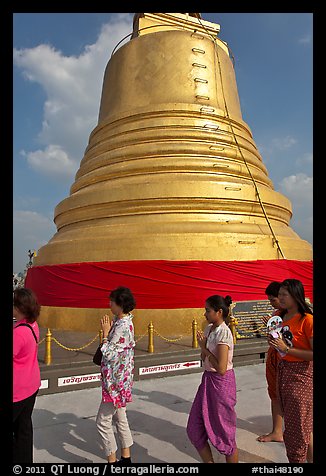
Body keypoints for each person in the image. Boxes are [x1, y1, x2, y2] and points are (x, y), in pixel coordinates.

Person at [187, 294, 238, 463]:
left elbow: (221, 368)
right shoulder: (210, 329)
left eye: (208, 310)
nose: (205, 314)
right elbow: (205, 358)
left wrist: (204, 348)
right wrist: (204, 349)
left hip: (221, 384)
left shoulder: (224, 333)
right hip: (208, 381)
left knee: (225, 433)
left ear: (219, 312)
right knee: (194, 428)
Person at [268, 279, 313, 463]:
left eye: (284, 295)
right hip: (283, 372)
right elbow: (278, 345)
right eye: (279, 295)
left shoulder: (307, 320)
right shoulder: (279, 317)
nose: (280, 298)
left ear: (296, 295)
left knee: (299, 429)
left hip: (301, 376)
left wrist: (287, 349)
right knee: (296, 425)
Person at [96, 286, 136, 464]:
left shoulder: (123, 327)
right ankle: (126, 457)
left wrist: (105, 334)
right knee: (120, 417)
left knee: (103, 422)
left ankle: (112, 461)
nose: (109, 304)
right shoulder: (120, 322)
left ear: (120, 304)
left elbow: (110, 353)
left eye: (112, 301)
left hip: (116, 383)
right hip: (119, 379)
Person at [13, 288, 41, 463]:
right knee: (24, 429)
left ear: (20, 308)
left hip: (17, 390)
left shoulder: (19, 333)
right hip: (31, 386)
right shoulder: (33, 325)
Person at [257, 281, 284, 443]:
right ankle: (277, 430)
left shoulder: (295, 315)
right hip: (275, 359)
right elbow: (273, 341)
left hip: (287, 362)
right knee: (275, 394)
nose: (271, 303)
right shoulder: (278, 314)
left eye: (273, 300)